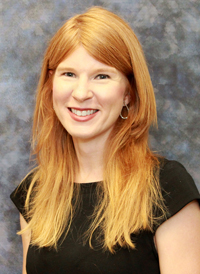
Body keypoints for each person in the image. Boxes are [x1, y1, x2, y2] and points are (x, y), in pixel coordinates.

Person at [10, 6, 200, 274]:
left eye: (102, 76)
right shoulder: (35, 193)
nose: (81, 93)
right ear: (50, 85)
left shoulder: (167, 189)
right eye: (69, 74)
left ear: (128, 93)